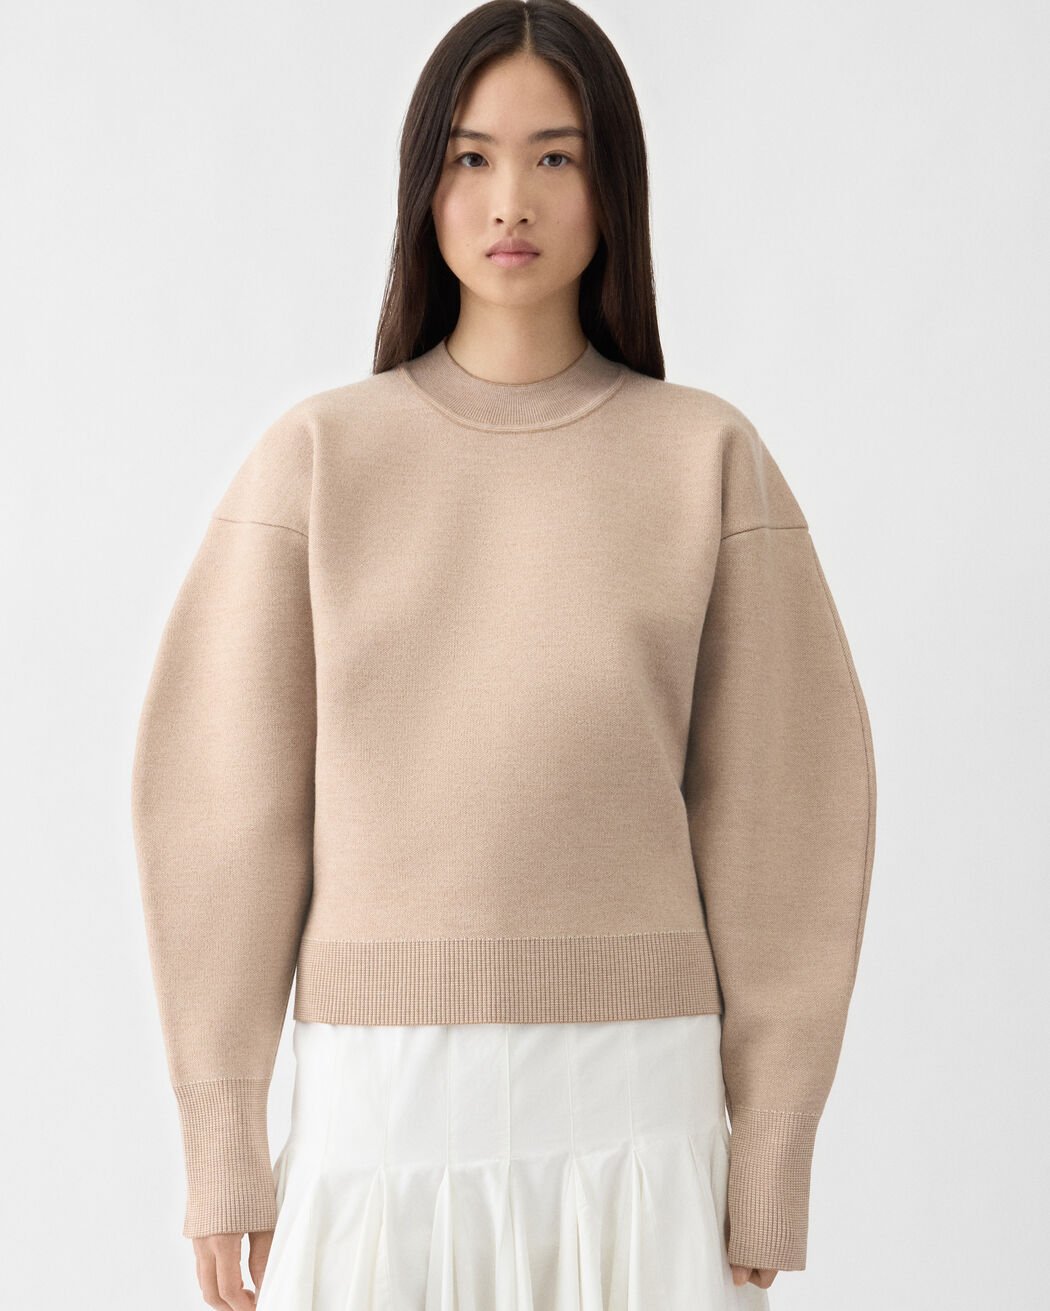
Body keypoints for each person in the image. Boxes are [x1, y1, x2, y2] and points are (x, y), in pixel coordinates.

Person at [130, 2, 877, 1308]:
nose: (508, 199)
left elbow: (787, 818)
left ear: (611, 183)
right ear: (422, 188)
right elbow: (221, 810)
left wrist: (771, 1145)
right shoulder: (319, 458)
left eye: (554, 155)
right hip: (380, 1111)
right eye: (469, 157)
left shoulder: (704, 457)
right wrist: (224, 1137)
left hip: (640, 1109)